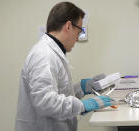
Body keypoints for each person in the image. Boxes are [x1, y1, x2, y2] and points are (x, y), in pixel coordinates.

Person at [15, 2, 117, 131]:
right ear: (68, 26)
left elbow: (59, 94)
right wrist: (82, 105)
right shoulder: (44, 55)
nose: (78, 38)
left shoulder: (53, 53)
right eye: (79, 31)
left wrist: (81, 87)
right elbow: (45, 102)